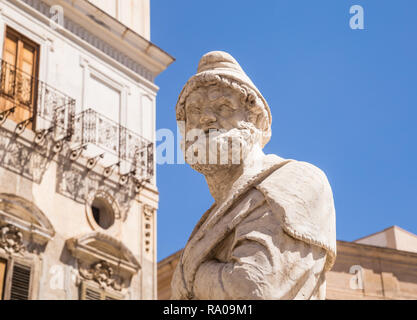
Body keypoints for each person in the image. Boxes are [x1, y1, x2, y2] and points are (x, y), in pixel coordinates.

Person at [171, 51, 336, 300]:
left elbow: (254, 288)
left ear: (256, 119)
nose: (205, 118)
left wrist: (191, 274)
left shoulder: (294, 180)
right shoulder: (205, 224)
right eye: (194, 111)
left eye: (223, 106)